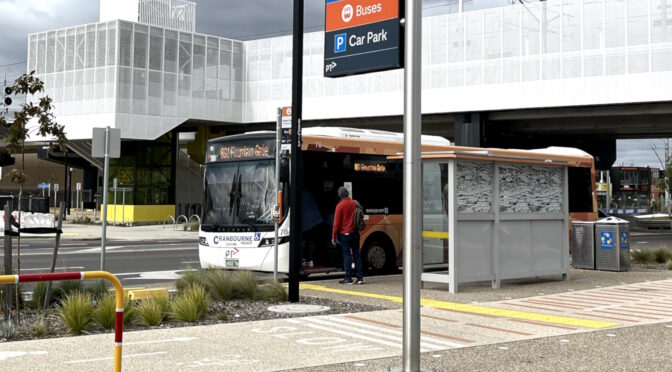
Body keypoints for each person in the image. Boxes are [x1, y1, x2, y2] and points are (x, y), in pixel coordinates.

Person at [331, 186, 363, 284]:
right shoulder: (355, 203)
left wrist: (333, 237)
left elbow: (336, 224)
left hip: (345, 234)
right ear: (347, 194)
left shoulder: (339, 206)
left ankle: (348, 278)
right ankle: (360, 278)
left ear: (339, 195)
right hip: (355, 233)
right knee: (357, 254)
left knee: (347, 255)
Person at [302, 191, 323, 267]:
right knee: (311, 241)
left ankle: (307, 259)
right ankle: (310, 259)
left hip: (309, 223)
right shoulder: (308, 194)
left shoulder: (301, 194)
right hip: (315, 221)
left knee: (306, 241)